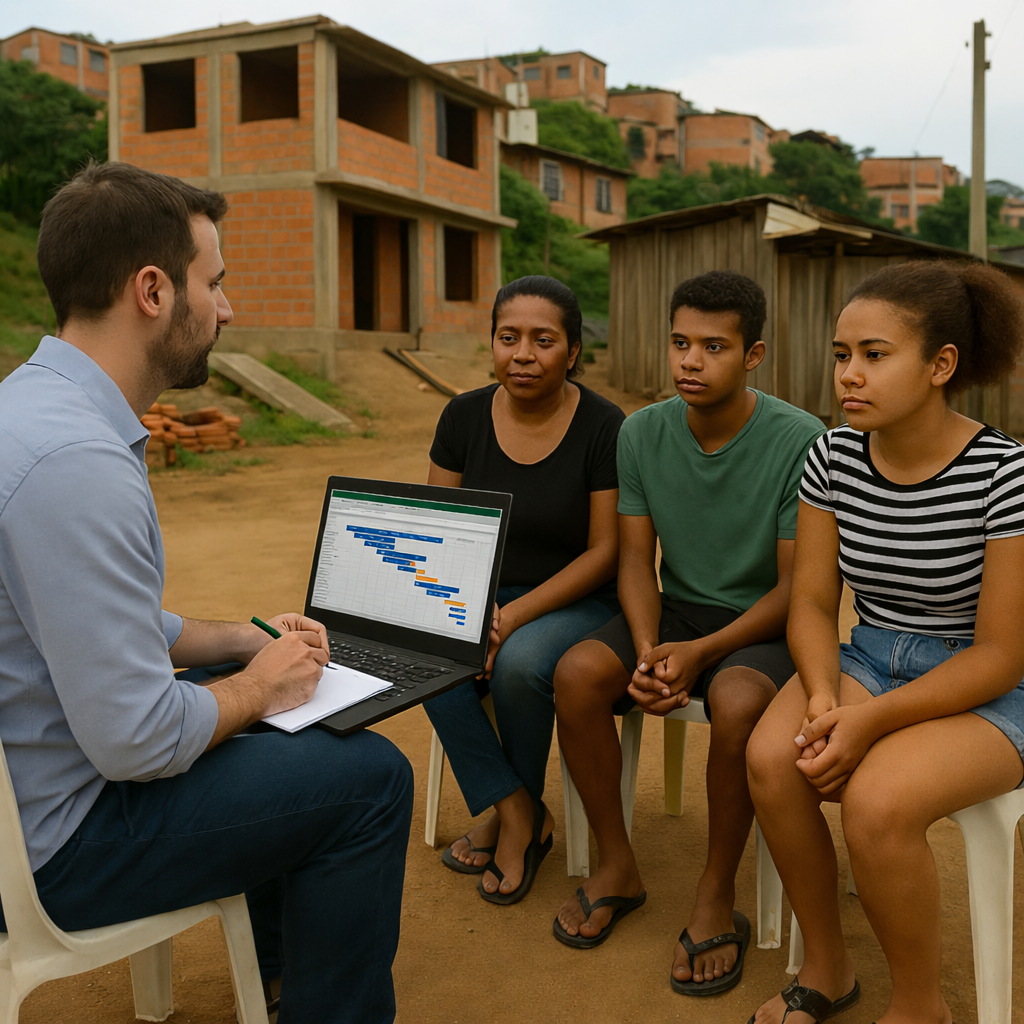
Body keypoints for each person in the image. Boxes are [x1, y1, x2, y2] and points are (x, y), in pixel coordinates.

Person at [0, 161, 413, 1024]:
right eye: (214, 283)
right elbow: (138, 740)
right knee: (370, 779)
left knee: (249, 705)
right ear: (153, 291)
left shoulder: (28, 411)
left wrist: (240, 644)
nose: (226, 308)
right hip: (56, 849)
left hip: (30, 782)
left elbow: (81, 622)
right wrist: (260, 687)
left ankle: (280, 974)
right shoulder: (78, 464)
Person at [745, 260, 1024, 1024]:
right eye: (842, 354)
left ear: (941, 365)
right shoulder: (833, 458)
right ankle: (827, 967)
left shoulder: (1004, 473)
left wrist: (868, 722)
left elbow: (1002, 654)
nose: (849, 374)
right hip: (870, 655)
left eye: (874, 354)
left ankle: (919, 1006)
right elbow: (811, 601)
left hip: (986, 681)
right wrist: (824, 693)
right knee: (772, 757)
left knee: (877, 801)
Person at [552, 271, 825, 997]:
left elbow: (794, 589)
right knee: (578, 673)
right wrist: (648, 650)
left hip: (764, 621)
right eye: (680, 343)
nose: (690, 362)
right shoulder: (641, 432)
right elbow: (635, 561)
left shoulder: (801, 440)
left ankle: (714, 890)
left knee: (737, 703)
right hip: (675, 612)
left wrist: (701, 653)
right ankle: (618, 864)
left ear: (753, 354)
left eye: (714, 346)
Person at [423, 276, 624, 904]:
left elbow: (605, 552)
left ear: (573, 351)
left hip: (577, 600)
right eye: (508, 338)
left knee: (518, 662)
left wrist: (509, 618)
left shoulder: (603, 425)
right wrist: (473, 606)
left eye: (544, 340)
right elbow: (439, 528)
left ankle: (515, 818)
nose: (523, 355)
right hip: (479, 593)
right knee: (422, 652)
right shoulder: (461, 417)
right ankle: (517, 809)